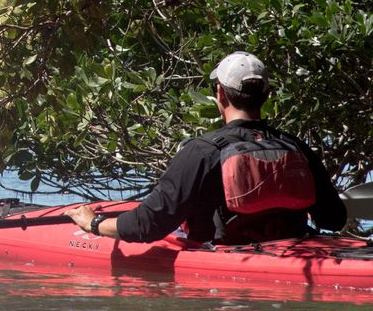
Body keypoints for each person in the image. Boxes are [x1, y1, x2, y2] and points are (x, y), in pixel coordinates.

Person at [66, 51, 348, 245]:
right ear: (267, 95)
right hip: (290, 251)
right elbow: (334, 219)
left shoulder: (203, 151)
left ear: (220, 94)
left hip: (223, 259)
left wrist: (94, 224)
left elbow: (148, 225)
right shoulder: (295, 146)